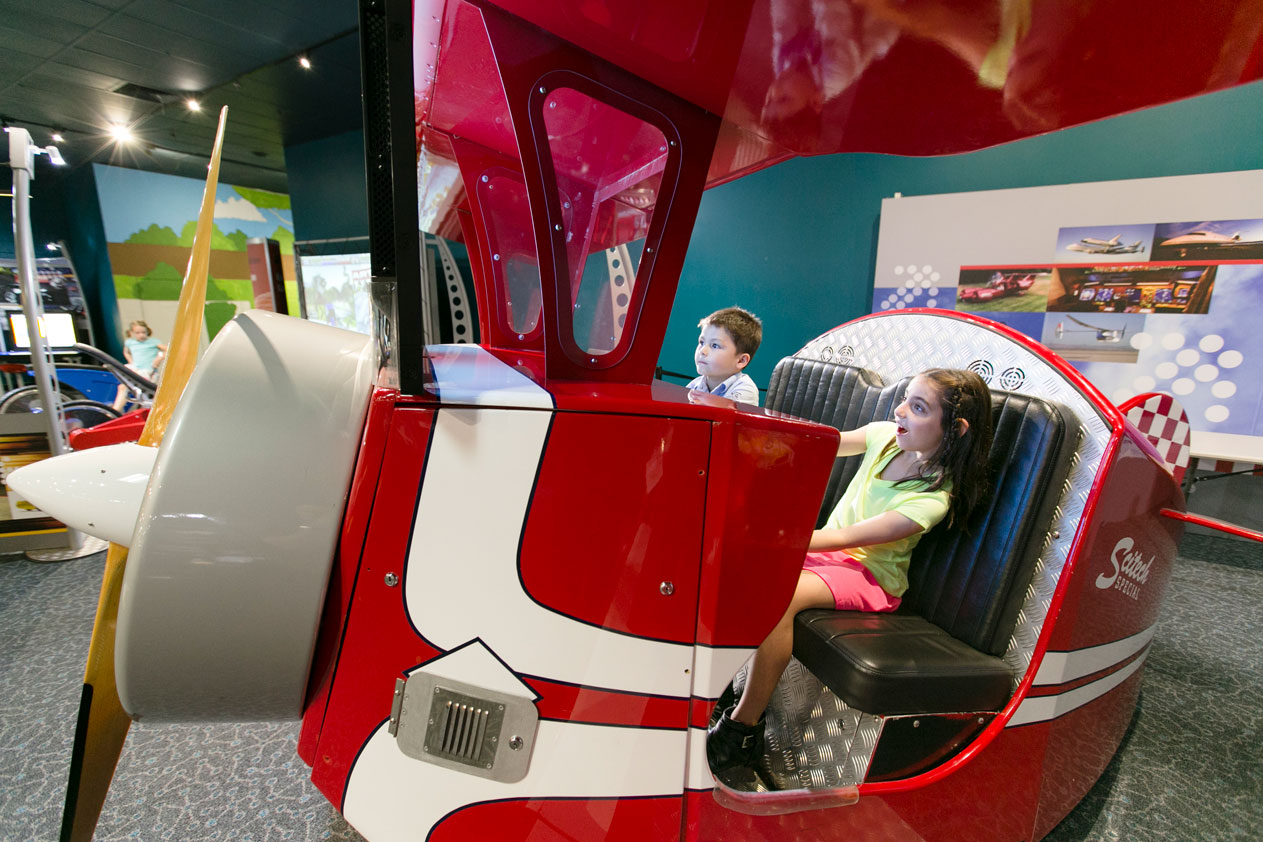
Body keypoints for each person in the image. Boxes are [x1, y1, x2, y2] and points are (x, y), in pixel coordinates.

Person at [707, 368, 994, 776]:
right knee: (737, 572)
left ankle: (742, 731)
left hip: (868, 574)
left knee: (780, 594)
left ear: (956, 429)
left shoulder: (933, 500)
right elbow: (824, 445)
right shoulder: (883, 437)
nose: (900, 411)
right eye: (905, 398)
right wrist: (756, 440)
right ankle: (723, 691)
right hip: (826, 557)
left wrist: (774, 538)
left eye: (918, 407)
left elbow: (847, 539)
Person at [688, 307, 763, 406]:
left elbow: (722, 417)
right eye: (701, 342)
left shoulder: (745, 390)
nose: (702, 351)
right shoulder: (694, 385)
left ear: (741, 360)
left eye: (715, 345)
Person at [113, 320, 167, 411]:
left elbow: (167, 349)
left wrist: (158, 359)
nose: (141, 335)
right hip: (136, 369)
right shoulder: (130, 342)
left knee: (141, 392)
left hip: (148, 371)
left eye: (143, 332)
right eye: (137, 333)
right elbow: (126, 352)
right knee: (123, 387)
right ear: (132, 333)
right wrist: (131, 361)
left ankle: (115, 410)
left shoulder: (153, 342)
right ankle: (116, 410)